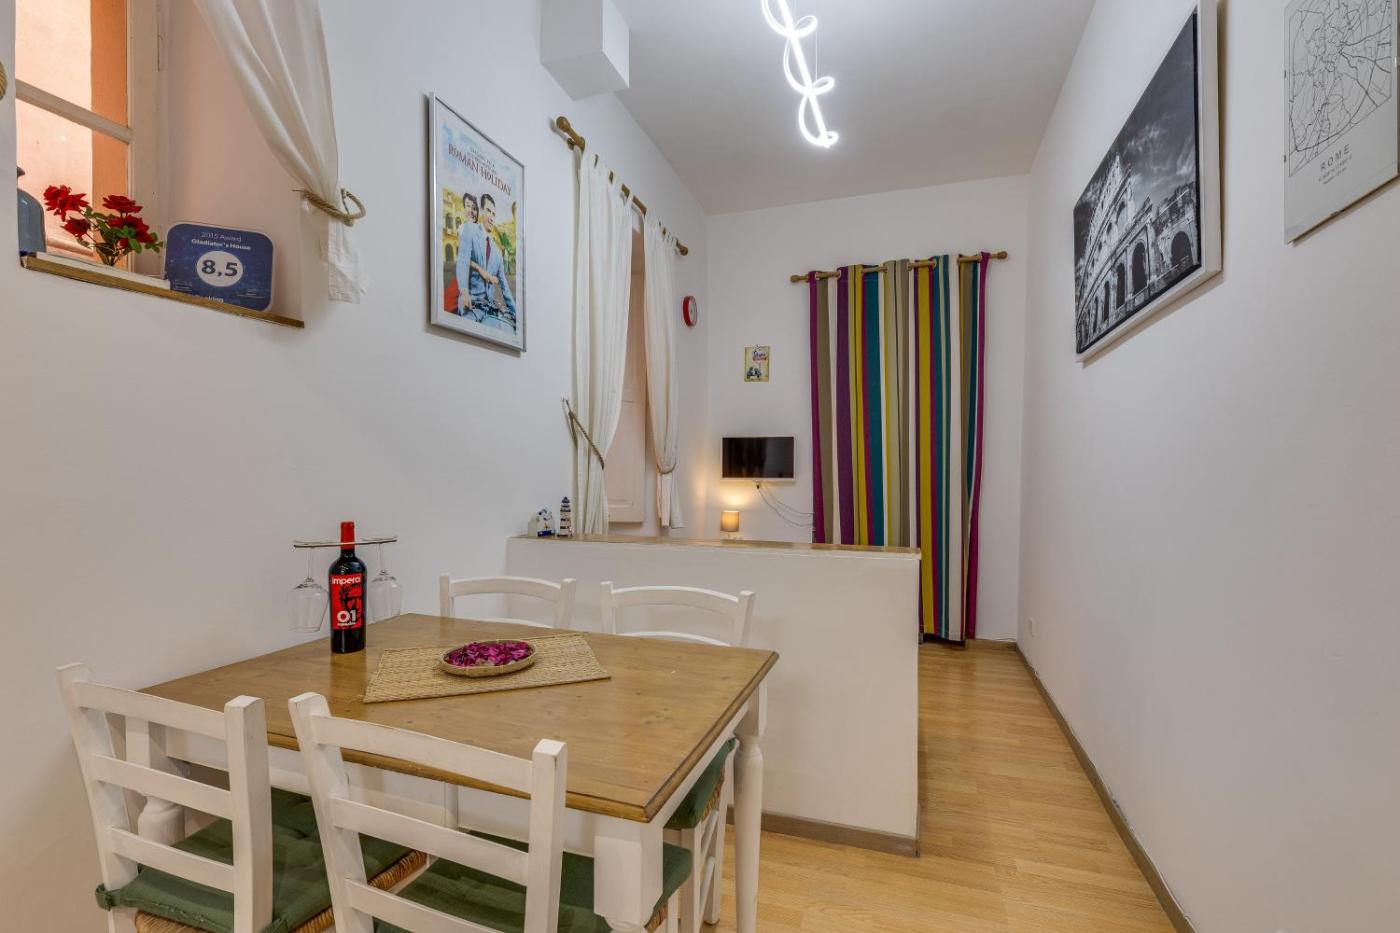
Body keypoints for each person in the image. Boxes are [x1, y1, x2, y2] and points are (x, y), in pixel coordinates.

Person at [465, 193, 517, 326]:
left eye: (494, 214)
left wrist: (517, 315)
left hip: (490, 311)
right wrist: (480, 269)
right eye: (488, 211)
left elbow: (505, 287)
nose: (492, 218)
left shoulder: (497, 253)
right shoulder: (470, 234)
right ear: (482, 211)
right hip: (471, 308)